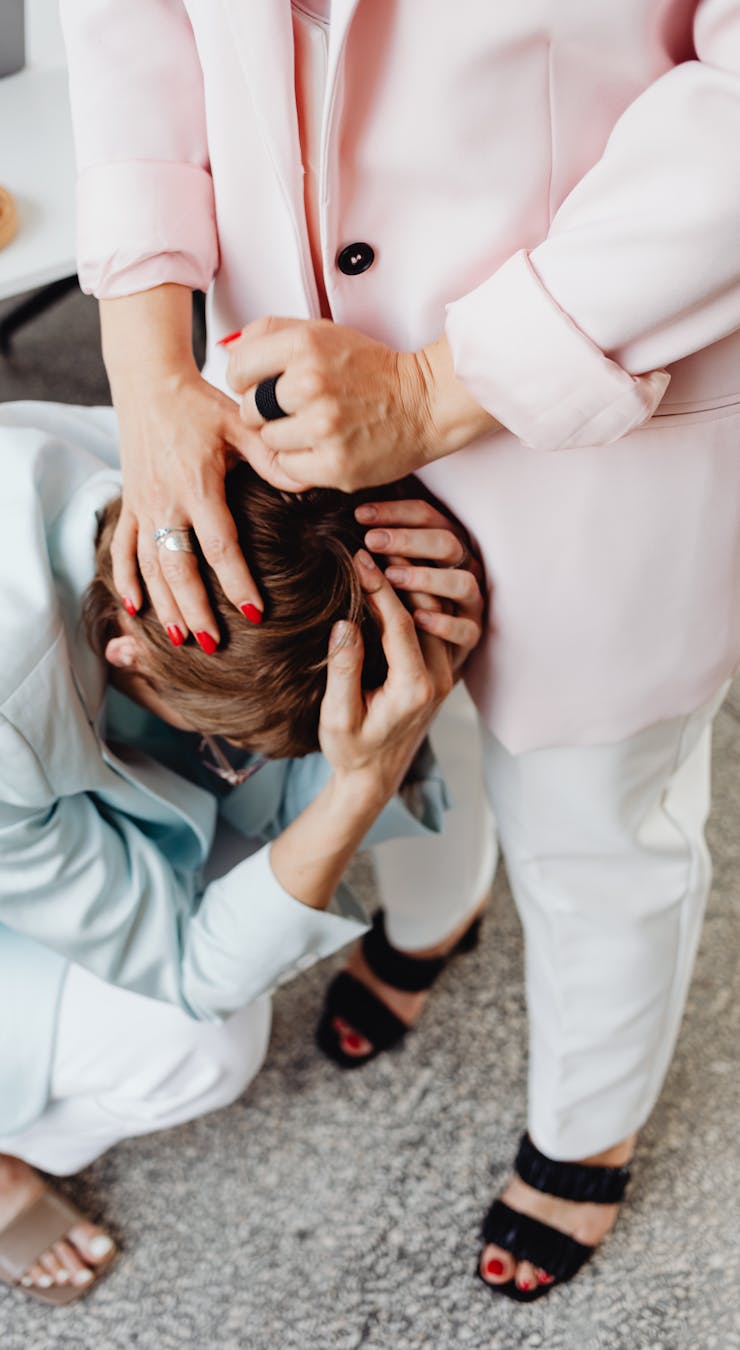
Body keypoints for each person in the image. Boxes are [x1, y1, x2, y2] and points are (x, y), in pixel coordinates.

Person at [59, 0, 740, 1301]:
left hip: (605, 379)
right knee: (384, 718)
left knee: (600, 806)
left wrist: (437, 388)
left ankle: (586, 1121)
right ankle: (437, 910)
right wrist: (148, 367)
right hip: (284, 380)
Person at [0, 400, 481, 1304]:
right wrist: (359, 787)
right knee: (202, 1044)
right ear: (129, 650)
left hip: (44, 813)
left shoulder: (220, 469)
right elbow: (182, 968)